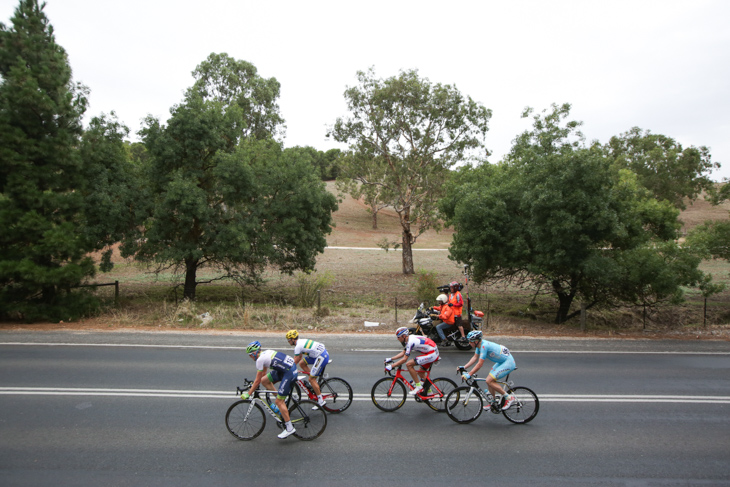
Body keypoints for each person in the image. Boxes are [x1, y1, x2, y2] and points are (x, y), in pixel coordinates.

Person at [240, 341, 299, 439]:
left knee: (278, 402)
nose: (250, 357)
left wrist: (249, 393)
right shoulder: (265, 353)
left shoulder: (259, 360)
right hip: (287, 369)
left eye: (250, 355)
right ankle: (282, 398)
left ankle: (289, 428)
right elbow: (263, 374)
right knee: (264, 381)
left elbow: (257, 380)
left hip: (289, 372)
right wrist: (255, 385)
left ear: (254, 353)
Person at [458, 330, 516, 410]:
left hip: (508, 362)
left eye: (471, 341)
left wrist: (469, 374)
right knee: (490, 380)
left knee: (489, 380)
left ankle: (509, 398)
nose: (469, 343)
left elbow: (479, 364)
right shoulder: (479, 345)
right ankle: (493, 402)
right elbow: (475, 357)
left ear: (476, 341)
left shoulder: (484, 346)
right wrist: (464, 367)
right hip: (501, 361)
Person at [385, 327, 439, 396]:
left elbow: (404, 359)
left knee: (409, 364)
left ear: (404, 336)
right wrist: (391, 359)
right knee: (421, 374)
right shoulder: (409, 339)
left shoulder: (410, 342)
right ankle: (429, 391)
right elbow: (403, 353)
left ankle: (418, 386)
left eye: (398, 337)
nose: (397, 339)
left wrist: (391, 366)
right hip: (431, 351)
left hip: (432, 353)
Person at [286, 329, 329, 407]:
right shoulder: (300, 342)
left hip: (321, 356)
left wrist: (289, 368)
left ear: (293, 339)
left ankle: (321, 401)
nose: (288, 341)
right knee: (302, 363)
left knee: (311, 379)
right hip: (318, 354)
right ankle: (313, 379)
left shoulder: (298, 346)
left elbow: (296, 358)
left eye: (289, 340)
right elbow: (300, 357)